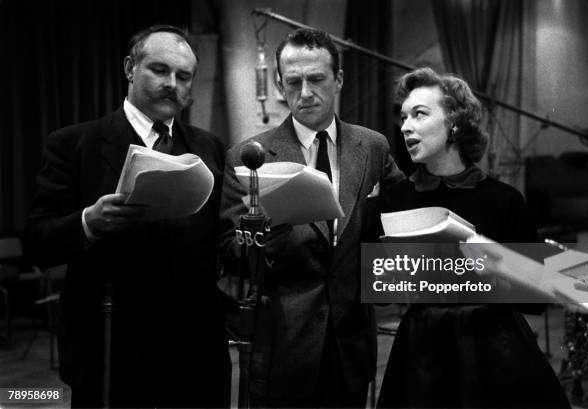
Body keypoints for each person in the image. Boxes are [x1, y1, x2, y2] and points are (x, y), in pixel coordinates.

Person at [24, 25, 230, 408]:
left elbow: (220, 237)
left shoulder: (210, 147)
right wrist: (88, 222)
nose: (172, 83)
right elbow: (37, 241)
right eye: (159, 69)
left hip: (195, 350)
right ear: (130, 68)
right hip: (110, 343)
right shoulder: (73, 144)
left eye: (183, 76)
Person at [219, 28, 404, 408]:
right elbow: (228, 250)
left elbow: (399, 215)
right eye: (293, 82)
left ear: (338, 79)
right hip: (283, 346)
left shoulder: (372, 147)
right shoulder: (248, 156)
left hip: (351, 343)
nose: (304, 93)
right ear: (278, 83)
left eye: (316, 79)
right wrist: (263, 236)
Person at [375, 67, 570, 408]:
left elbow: (536, 299)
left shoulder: (504, 199)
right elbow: (379, 290)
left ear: (454, 123)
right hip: (421, 353)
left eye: (419, 114)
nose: (405, 126)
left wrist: (484, 257)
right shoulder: (395, 200)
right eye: (403, 117)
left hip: (495, 351)